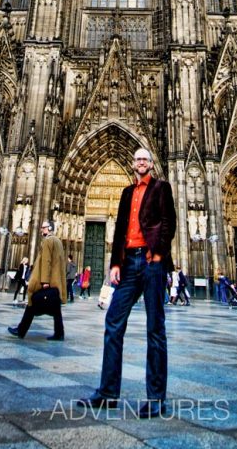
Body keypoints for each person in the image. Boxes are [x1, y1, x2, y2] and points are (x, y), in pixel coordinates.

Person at [78, 147, 176, 419]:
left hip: (150, 262)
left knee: (155, 328)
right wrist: (115, 264)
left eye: (145, 159)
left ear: (151, 164)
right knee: (113, 321)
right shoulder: (126, 193)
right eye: (137, 159)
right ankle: (108, 392)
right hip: (128, 263)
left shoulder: (161, 188)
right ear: (133, 165)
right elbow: (120, 228)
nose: (141, 163)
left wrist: (158, 254)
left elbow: (169, 223)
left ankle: (156, 398)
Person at [8, 219, 67, 340]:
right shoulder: (58, 242)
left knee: (32, 302)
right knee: (56, 308)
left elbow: (46, 261)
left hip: (48, 281)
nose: (41, 229)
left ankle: (21, 330)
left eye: (43, 227)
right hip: (56, 282)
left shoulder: (47, 241)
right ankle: (59, 333)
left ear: (50, 228)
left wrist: (45, 281)